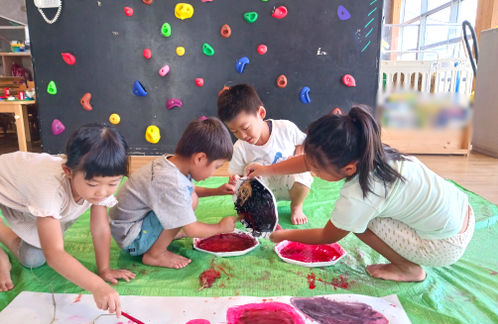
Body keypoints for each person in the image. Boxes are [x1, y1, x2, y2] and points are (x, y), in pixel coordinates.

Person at [247, 105, 474, 282]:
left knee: (361, 224)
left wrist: (282, 235)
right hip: (462, 212)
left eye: (316, 169)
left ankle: (408, 269)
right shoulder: (367, 147)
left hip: (445, 245)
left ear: (348, 169)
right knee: (363, 215)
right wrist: (267, 169)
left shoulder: (360, 195)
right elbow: (308, 160)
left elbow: (328, 236)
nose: (311, 171)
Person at [0, 123, 135, 316]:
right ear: (68, 171)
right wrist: (97, 286)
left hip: (23, 194)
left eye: (113, 183)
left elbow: (100, 229)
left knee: (32, 258)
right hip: (6, 184)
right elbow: (54, 254)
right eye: (92, 184)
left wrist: (104, 270)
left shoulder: (98, 182)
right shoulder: (48, 187)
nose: (103, 192)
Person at [109, 117, 237, 269]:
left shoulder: (172, 163)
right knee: (188, 202)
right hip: (132, 239)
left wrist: (216, 191)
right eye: (216, 166)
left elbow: (187, 190)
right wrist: (220, 228)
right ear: (200, 158)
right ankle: (155, 255)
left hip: (130, 225)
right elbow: (192, 229)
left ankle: (159, 237)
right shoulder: (171, 181)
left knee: (189, 198)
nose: (214, 172)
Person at [217, 84, 313, 225]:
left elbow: (305, 144)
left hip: (288, 185)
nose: (242, 135)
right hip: (263, 190)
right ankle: (267, 210)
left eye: (245, 127)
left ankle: (296, 206)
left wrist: (298, 154)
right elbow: (238, 178)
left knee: (303, 173)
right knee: (244, 191)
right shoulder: (239, 148)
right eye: (234, 132)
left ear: (261, 113)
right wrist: (235, 180)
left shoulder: (285, 128)